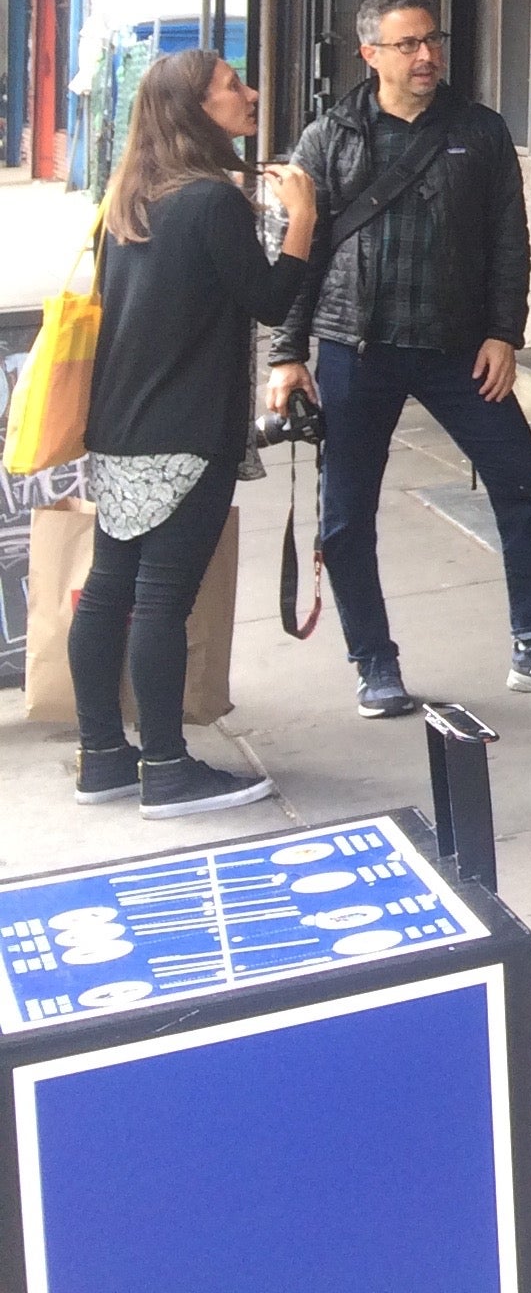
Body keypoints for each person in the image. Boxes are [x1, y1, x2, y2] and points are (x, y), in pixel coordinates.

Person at [265, 0, 531, 716]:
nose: (427, 57)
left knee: (521, 483)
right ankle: (373, 663)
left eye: (433, 41)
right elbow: (303, 249)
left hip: (458, 350)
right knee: (346, 515)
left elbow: (510, 242)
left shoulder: (477, 132)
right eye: (409, 44)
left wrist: (504, 333)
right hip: (357, 348)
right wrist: (287, 354)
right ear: (371, 55)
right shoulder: (330, 137)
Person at [72, 52, 316, 817]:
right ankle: (168, 770)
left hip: (119, 424)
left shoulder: (132, 197)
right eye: (233, 86)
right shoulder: (210, 201)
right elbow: (272, 299)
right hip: (184, 432)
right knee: (161, 600)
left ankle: (104, 758)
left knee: (111, 592)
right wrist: (302, 219)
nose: (251, 92)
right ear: (194, 109)